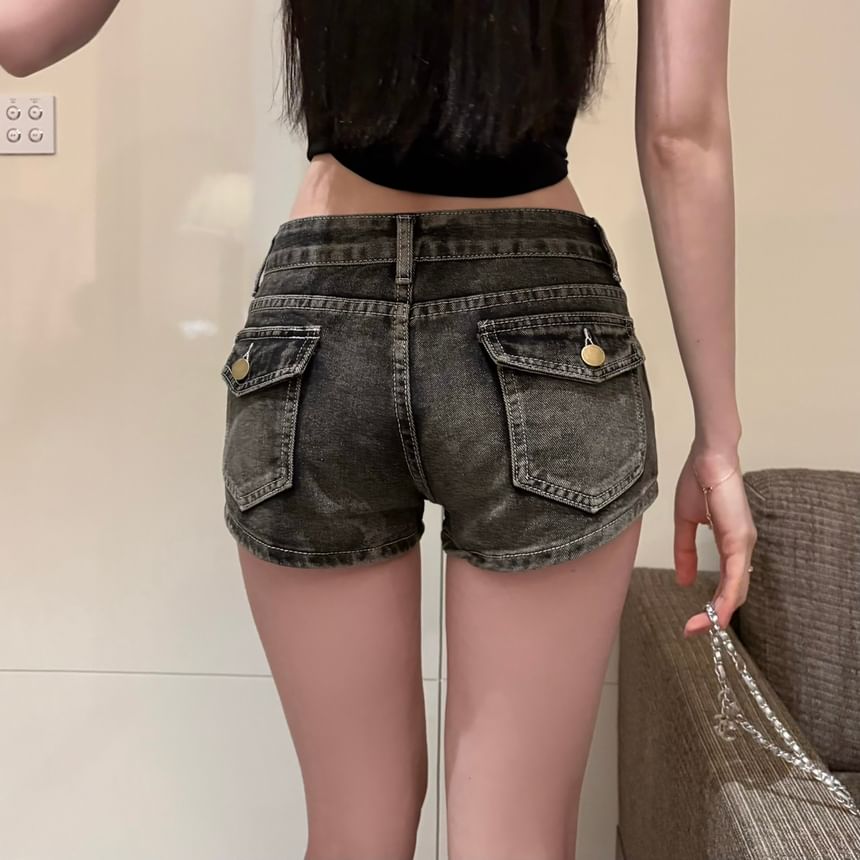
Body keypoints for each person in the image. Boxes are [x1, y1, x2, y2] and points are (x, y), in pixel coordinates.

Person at [1, 1, 757, 857]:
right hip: (542, 318)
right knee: (514, 839)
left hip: (318, 325)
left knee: (353, 829)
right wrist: (719, 441)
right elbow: (681, 136)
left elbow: (23, 34)